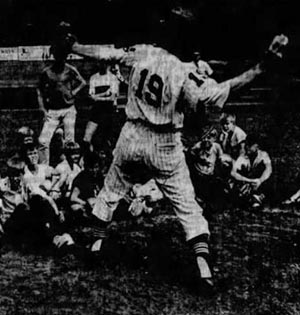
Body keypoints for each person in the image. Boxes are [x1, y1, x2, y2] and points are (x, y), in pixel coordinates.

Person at [58, 26, 288, 294]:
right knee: (187, 205)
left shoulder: (145, 51)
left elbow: (107, 54)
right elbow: (219, 94)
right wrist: (261, 67)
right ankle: (204, 270)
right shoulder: (185, 72)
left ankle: (96, 245)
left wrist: (73, 46)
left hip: (131, 134)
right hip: (164, 142)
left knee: (112, 187)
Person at [38, 43, 86, 165]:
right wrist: (43, 109)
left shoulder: (70, 69)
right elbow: (39, 90)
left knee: (70, 143)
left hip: (68, 109)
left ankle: (71, 169)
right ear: (54, 56)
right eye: (58, 55)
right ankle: (44, 169)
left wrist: (73, 92)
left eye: (63, 56)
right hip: (52, 111)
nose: (61, 59)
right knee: (43, 141)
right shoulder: (47, 72)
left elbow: (82, 82)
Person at [83, 60, 122, 152]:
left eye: (104, 62)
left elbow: (112, 98)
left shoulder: (113, 78)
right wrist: (105, 93)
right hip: (97, 111)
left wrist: (97, 97)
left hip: (109, 111)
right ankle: (89, 159)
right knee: (86, 138)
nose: (102, 64)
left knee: (108, 141)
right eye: (100, 62)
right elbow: (91, 97)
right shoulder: (94, 78)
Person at [231, 134, 272, 209]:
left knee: (269, 179)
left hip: (259, 183)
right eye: (246, 144)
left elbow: (269, 169)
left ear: (257, 146)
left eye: (250, 145)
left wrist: (260, 180)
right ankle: (251, 199)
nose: (247, 147)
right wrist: (249, 181)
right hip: (248, 183)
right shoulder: (242, 157)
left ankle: (258, 198)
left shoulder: (263, 155)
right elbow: (233, 173)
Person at [70, 152, 103, 219]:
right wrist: (86, 204)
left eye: (96, 167)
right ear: (86, 167)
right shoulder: (81, 178)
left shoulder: (99, 176)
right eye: (91, 168)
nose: (94, 170)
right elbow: (73, 198)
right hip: (85, 205)